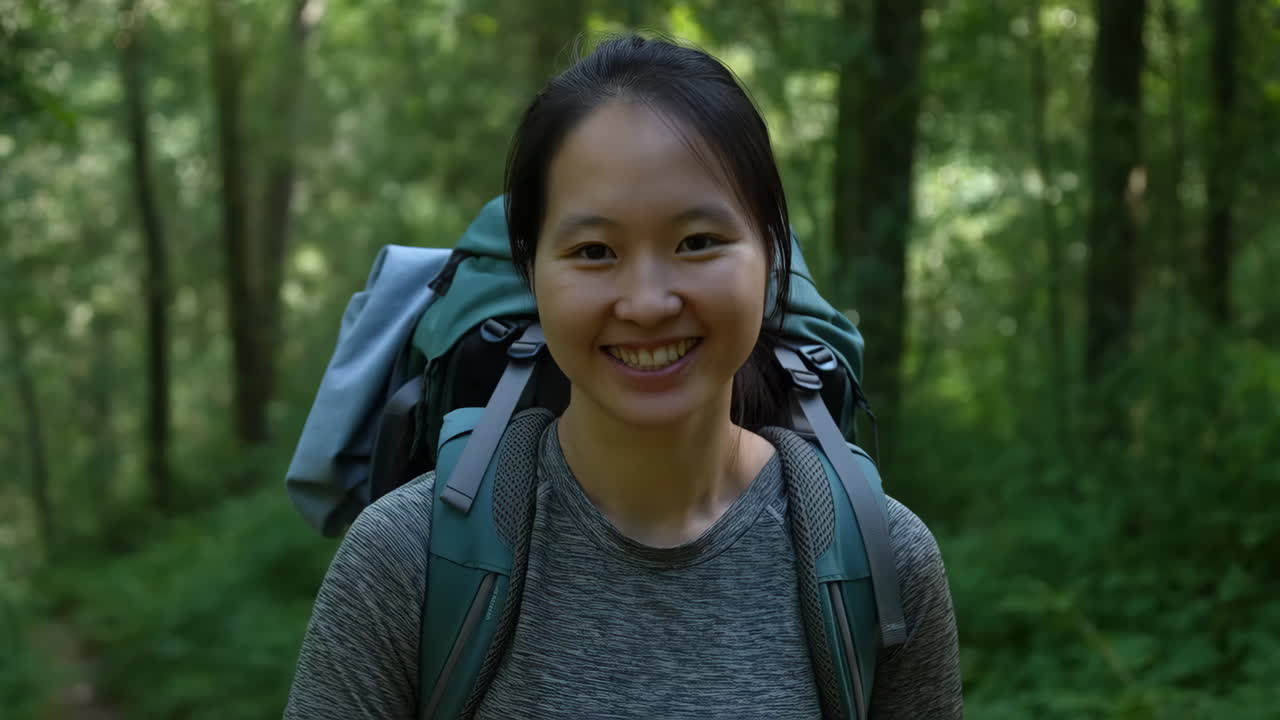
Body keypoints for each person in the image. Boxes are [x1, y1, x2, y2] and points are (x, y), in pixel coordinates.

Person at [285, 34, 962, 719]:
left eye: (697, 242)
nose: (646, 303)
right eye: (594, 251)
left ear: (770, 255)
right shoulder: (409, 560)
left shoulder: (883, 564)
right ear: (532, 272)